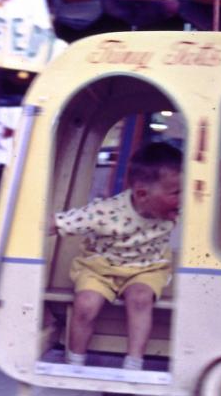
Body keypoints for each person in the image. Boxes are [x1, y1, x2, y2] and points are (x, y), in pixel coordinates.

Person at [49, 141, 182, 372]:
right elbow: (62, 222)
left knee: (141, 299)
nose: (183, 199)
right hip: (100, 267)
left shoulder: (173, 208)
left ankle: (133, 364)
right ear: (142, 194)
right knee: (85, 304)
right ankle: (75, 364)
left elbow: (211, 183)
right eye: (176, 193)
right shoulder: (107, 212)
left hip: (147, 268)